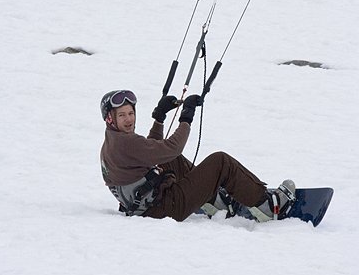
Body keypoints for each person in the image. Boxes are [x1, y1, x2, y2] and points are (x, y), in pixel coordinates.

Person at [100, 89, 296, 222]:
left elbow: (152, 153)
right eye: (122, 115)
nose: (128, 120)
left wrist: (159, 118)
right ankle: (268, 207)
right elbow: (172, 147)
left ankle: (214, 202)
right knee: (220, 162)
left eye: (130, 113)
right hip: (166, 208)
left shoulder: (113, 141)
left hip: (149, 207)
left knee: (169, 159)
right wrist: (186, 117)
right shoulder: (126, 143)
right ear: (111, 119)